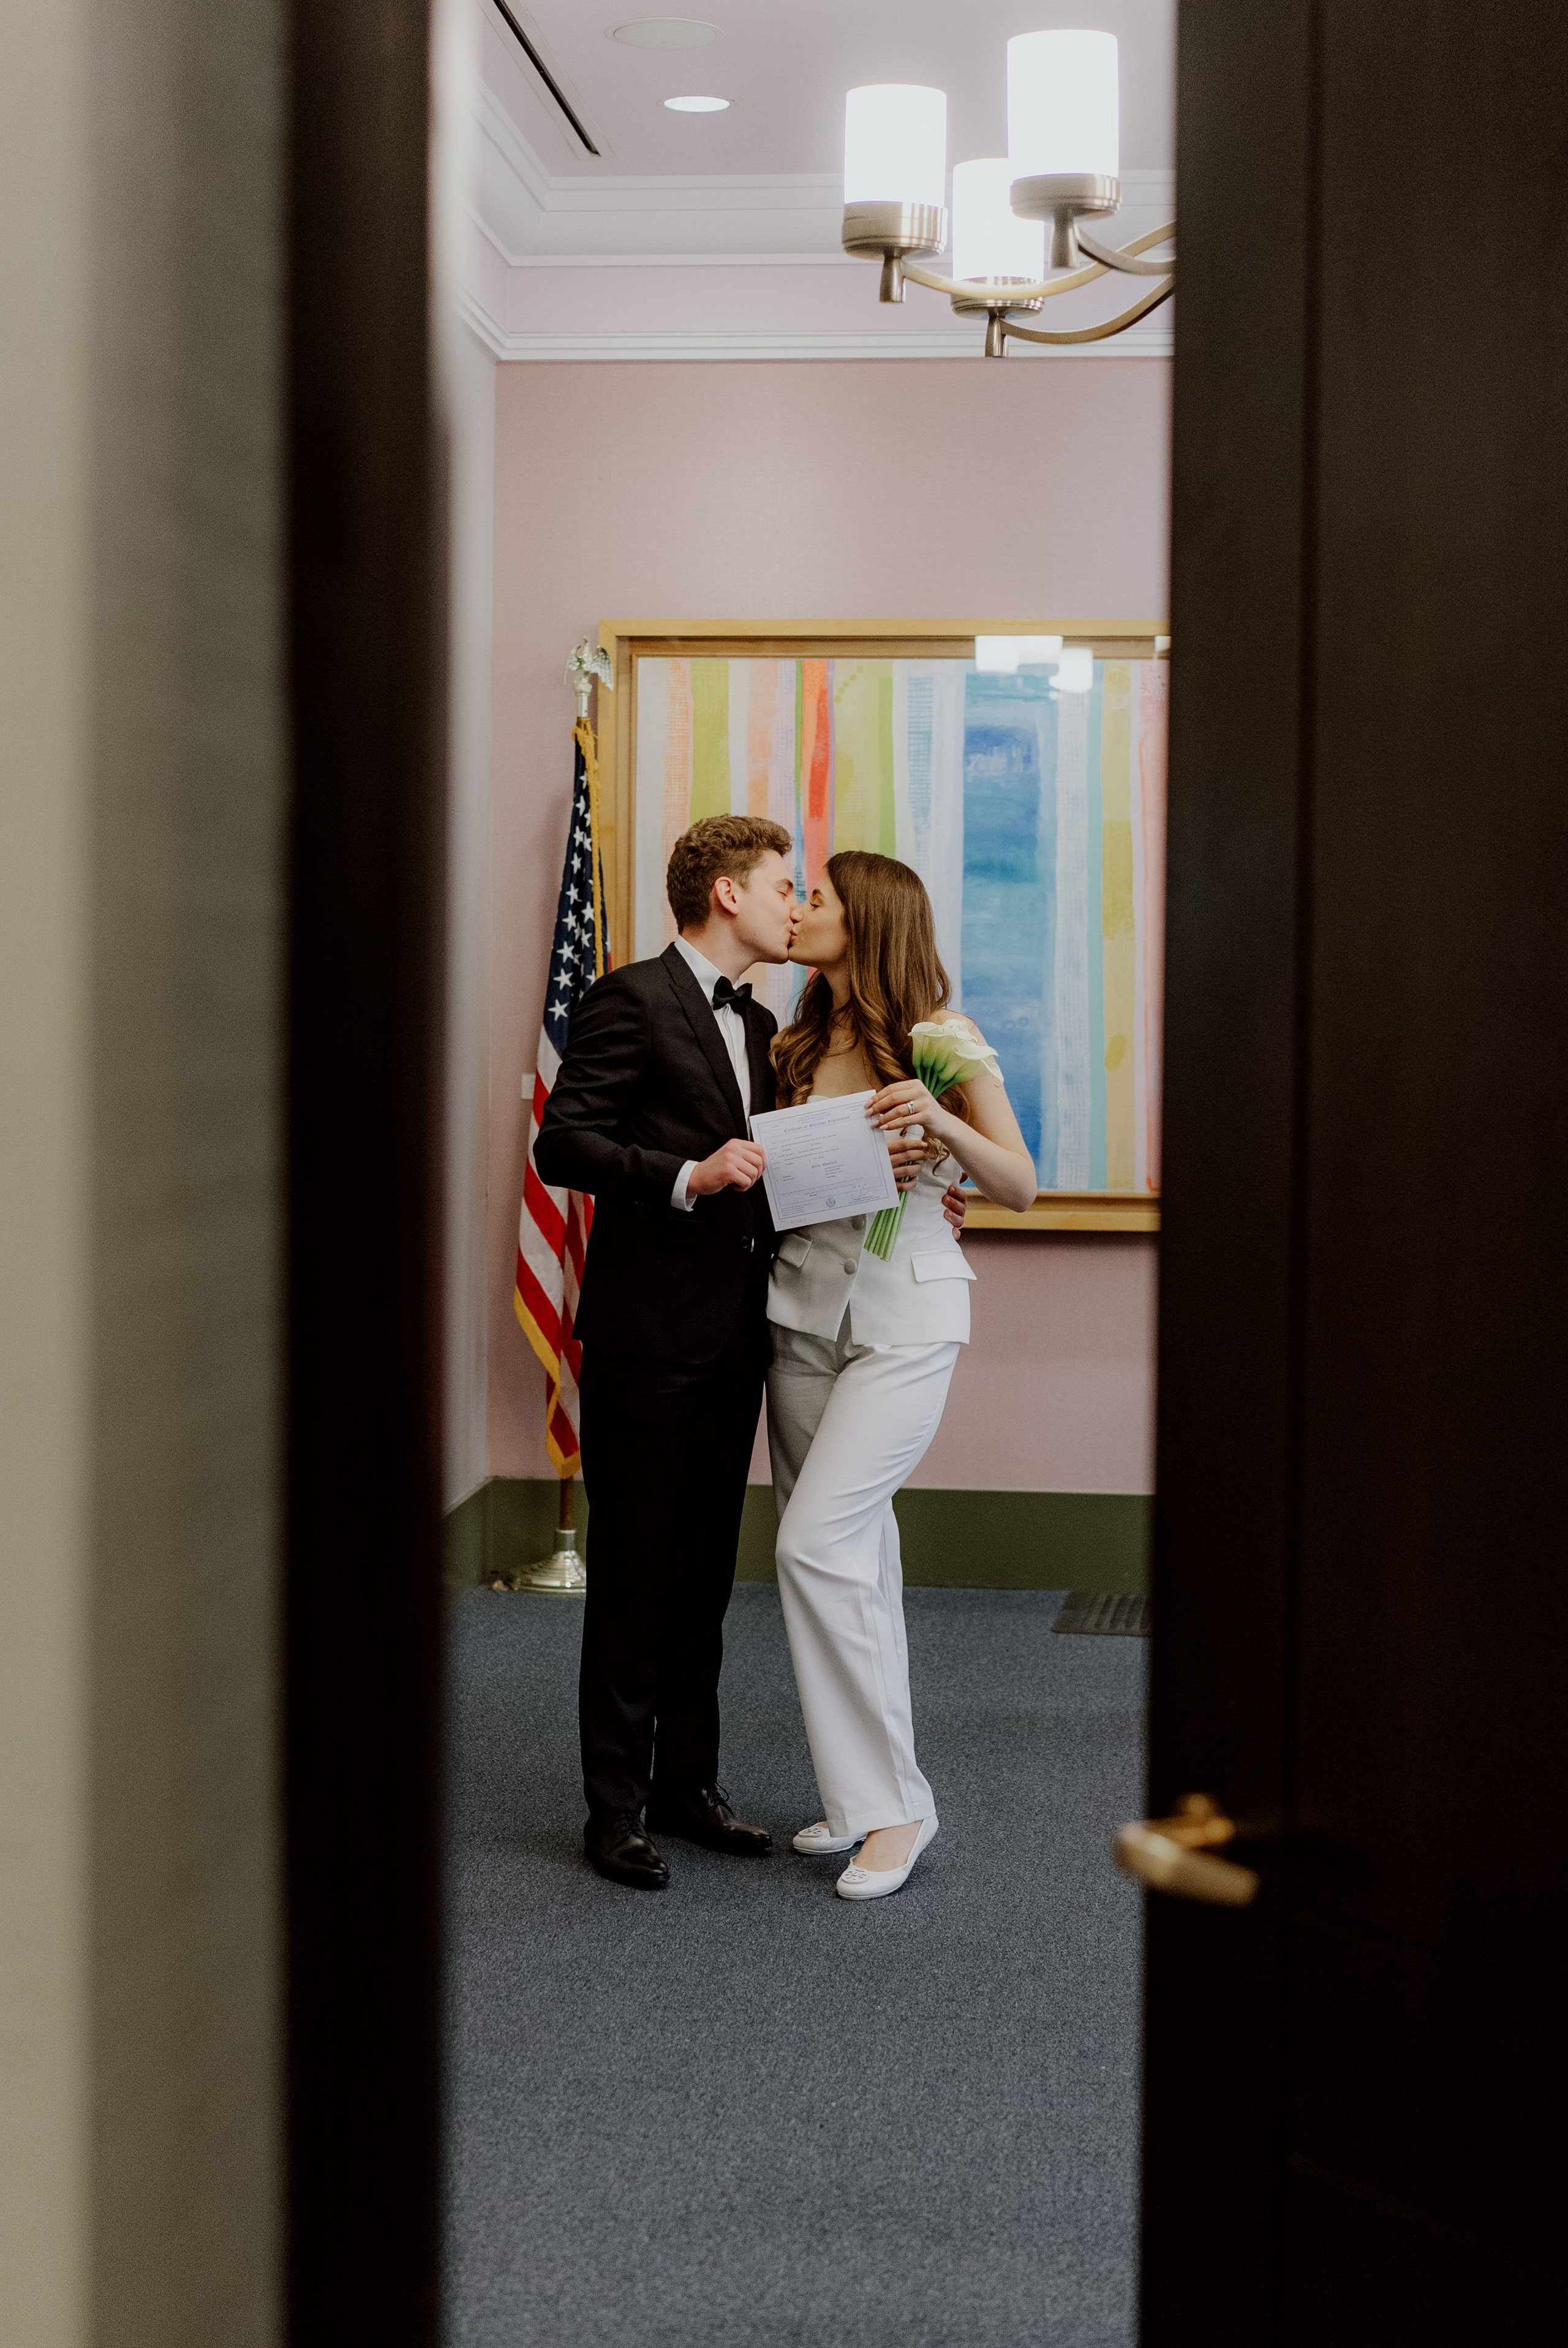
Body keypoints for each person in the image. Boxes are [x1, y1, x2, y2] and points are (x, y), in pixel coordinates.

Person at [534, 817, 966, 1890]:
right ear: (727, 893)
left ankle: (691, 1786)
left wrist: (913, 1176)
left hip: (745, 1338)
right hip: (644, 1341)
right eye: (784, 884)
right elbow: (563, 1141)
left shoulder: (772, 1019)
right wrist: (687, 1173)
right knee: (635, 1574)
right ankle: (616, 1808)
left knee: (702, 1581)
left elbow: (797, 1171)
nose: (796, 902)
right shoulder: (629, 996)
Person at [766, 851, 1036, 1901]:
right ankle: (852, 1796)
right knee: (857, 1562)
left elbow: (1014, 1182)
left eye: (816, 898)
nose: (798, 909)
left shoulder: (939, 1040)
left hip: (906, 1316)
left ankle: (899, 1808)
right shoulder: (791, 1041)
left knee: (813, 1543)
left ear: (867, 918)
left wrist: (941, 1125)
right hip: (796, 1314)